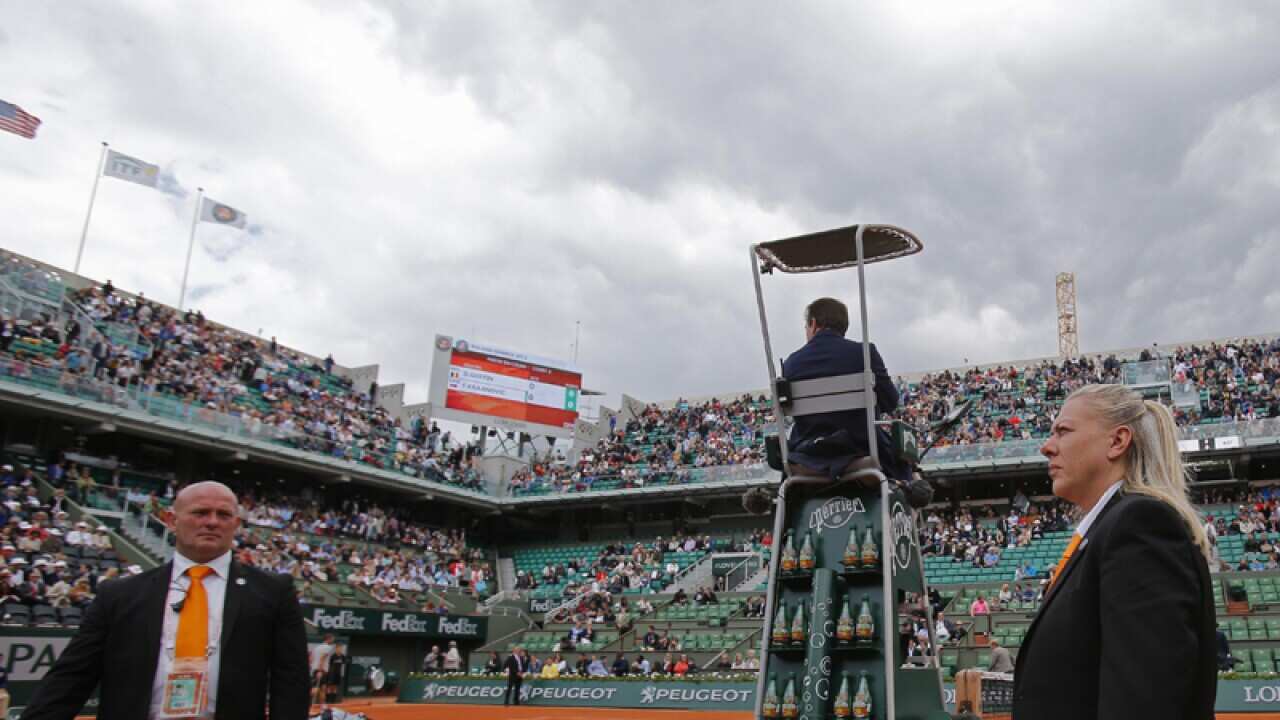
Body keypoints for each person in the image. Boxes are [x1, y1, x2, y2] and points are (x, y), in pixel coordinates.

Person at [20, 481, 309, 719]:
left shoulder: (273, 592)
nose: (212, 522)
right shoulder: (119, 594)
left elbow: (291, 681)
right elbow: (71, 677)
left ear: (236, 524)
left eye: (223, 515)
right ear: (172, 520)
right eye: (200, 512)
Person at [1012, 385, 1216, 720]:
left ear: (1118, 442)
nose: (1047, 447)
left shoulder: (1139, 525)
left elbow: (1143, 702)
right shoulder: (1108, 531)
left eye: (1063, 431)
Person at [781, 297, 918, 491]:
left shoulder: (791, 364)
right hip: (862, 449)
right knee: (904, 458)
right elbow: (891, 402)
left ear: (813, 323)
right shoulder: (864, 353)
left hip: (809, 455)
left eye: (806, 326)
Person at [311, 633, 337, 705]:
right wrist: (320, 671)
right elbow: (322, 658)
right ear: (328, 639)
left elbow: (312, 659)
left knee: (323, 688)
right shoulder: (328, 648)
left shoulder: (317, 647)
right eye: (332, 639)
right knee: (316, 689)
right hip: (321, 670)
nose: (333, 640)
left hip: (317, 669)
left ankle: (322, 705)